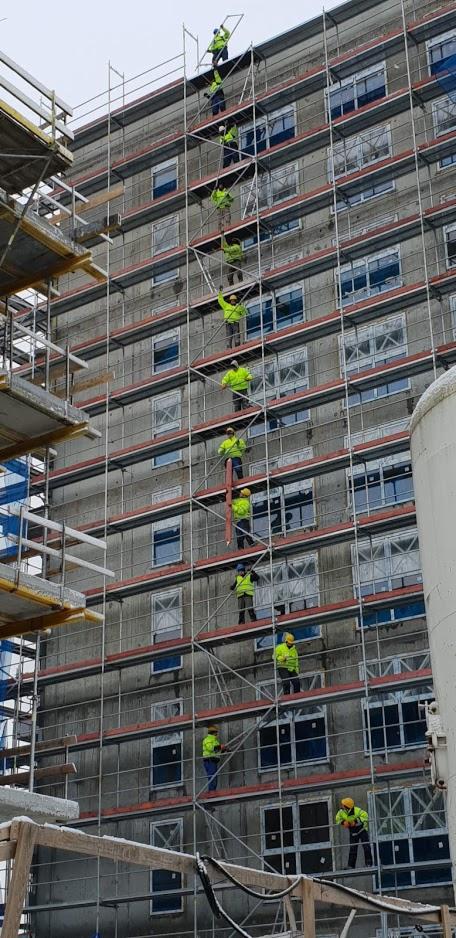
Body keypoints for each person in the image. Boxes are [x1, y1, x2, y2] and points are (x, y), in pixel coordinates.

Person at [335, 798, 373, 870]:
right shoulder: (341, 812)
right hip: (353, 832)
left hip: (362, 830)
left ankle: (369, 863)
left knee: (366, 846)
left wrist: (355, 821)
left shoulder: (357, 810)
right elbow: (337, 819)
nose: (342, 806)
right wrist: (343, 822)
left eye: (343, 805)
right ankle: (351, 866)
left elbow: (365, 816)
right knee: (353, 848)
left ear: (347, 806)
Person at [202, 725, 227, 791]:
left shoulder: (215, 741)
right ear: (214, 732)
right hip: (209, 761)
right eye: (216, 732)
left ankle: (212, 791)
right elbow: (210, 748)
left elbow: (217, 750)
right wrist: (220, 747)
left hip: (213, 761)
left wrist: (224, 749)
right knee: (212, 778)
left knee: (214, 778)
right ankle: (211, 792)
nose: (217, 734)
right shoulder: (208, 739)